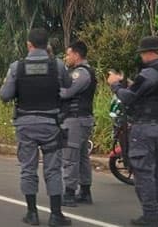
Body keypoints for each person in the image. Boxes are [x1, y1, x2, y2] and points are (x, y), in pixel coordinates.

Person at [0, 28, 72, 226]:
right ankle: (56, 215)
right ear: (47, 44)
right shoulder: (57, 65)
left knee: (28, 169)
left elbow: (5, 95)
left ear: (28, 45)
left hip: (25, 126)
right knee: (53, 170)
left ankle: (32, 214)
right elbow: (68, 86)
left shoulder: (17, 68)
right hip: (51, 125)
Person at [108, 36, 158, 226]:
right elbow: (148, 92)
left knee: (144, 175)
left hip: (144, 128)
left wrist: (115, 85)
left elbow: (128, 98)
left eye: (142, 53)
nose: (141, 57)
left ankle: (150, 217)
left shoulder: (149, 72)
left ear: (149, 53)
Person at [60, 40, 98, 207]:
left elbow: (66, 92)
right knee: (82, 157)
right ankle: (85, 191)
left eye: (68, 54)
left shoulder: (80, 73)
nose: (66, 57)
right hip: (80, 119)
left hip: (76, 119)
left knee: (70, 157)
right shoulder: (81, 71)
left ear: (76, 54)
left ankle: (69, 193)